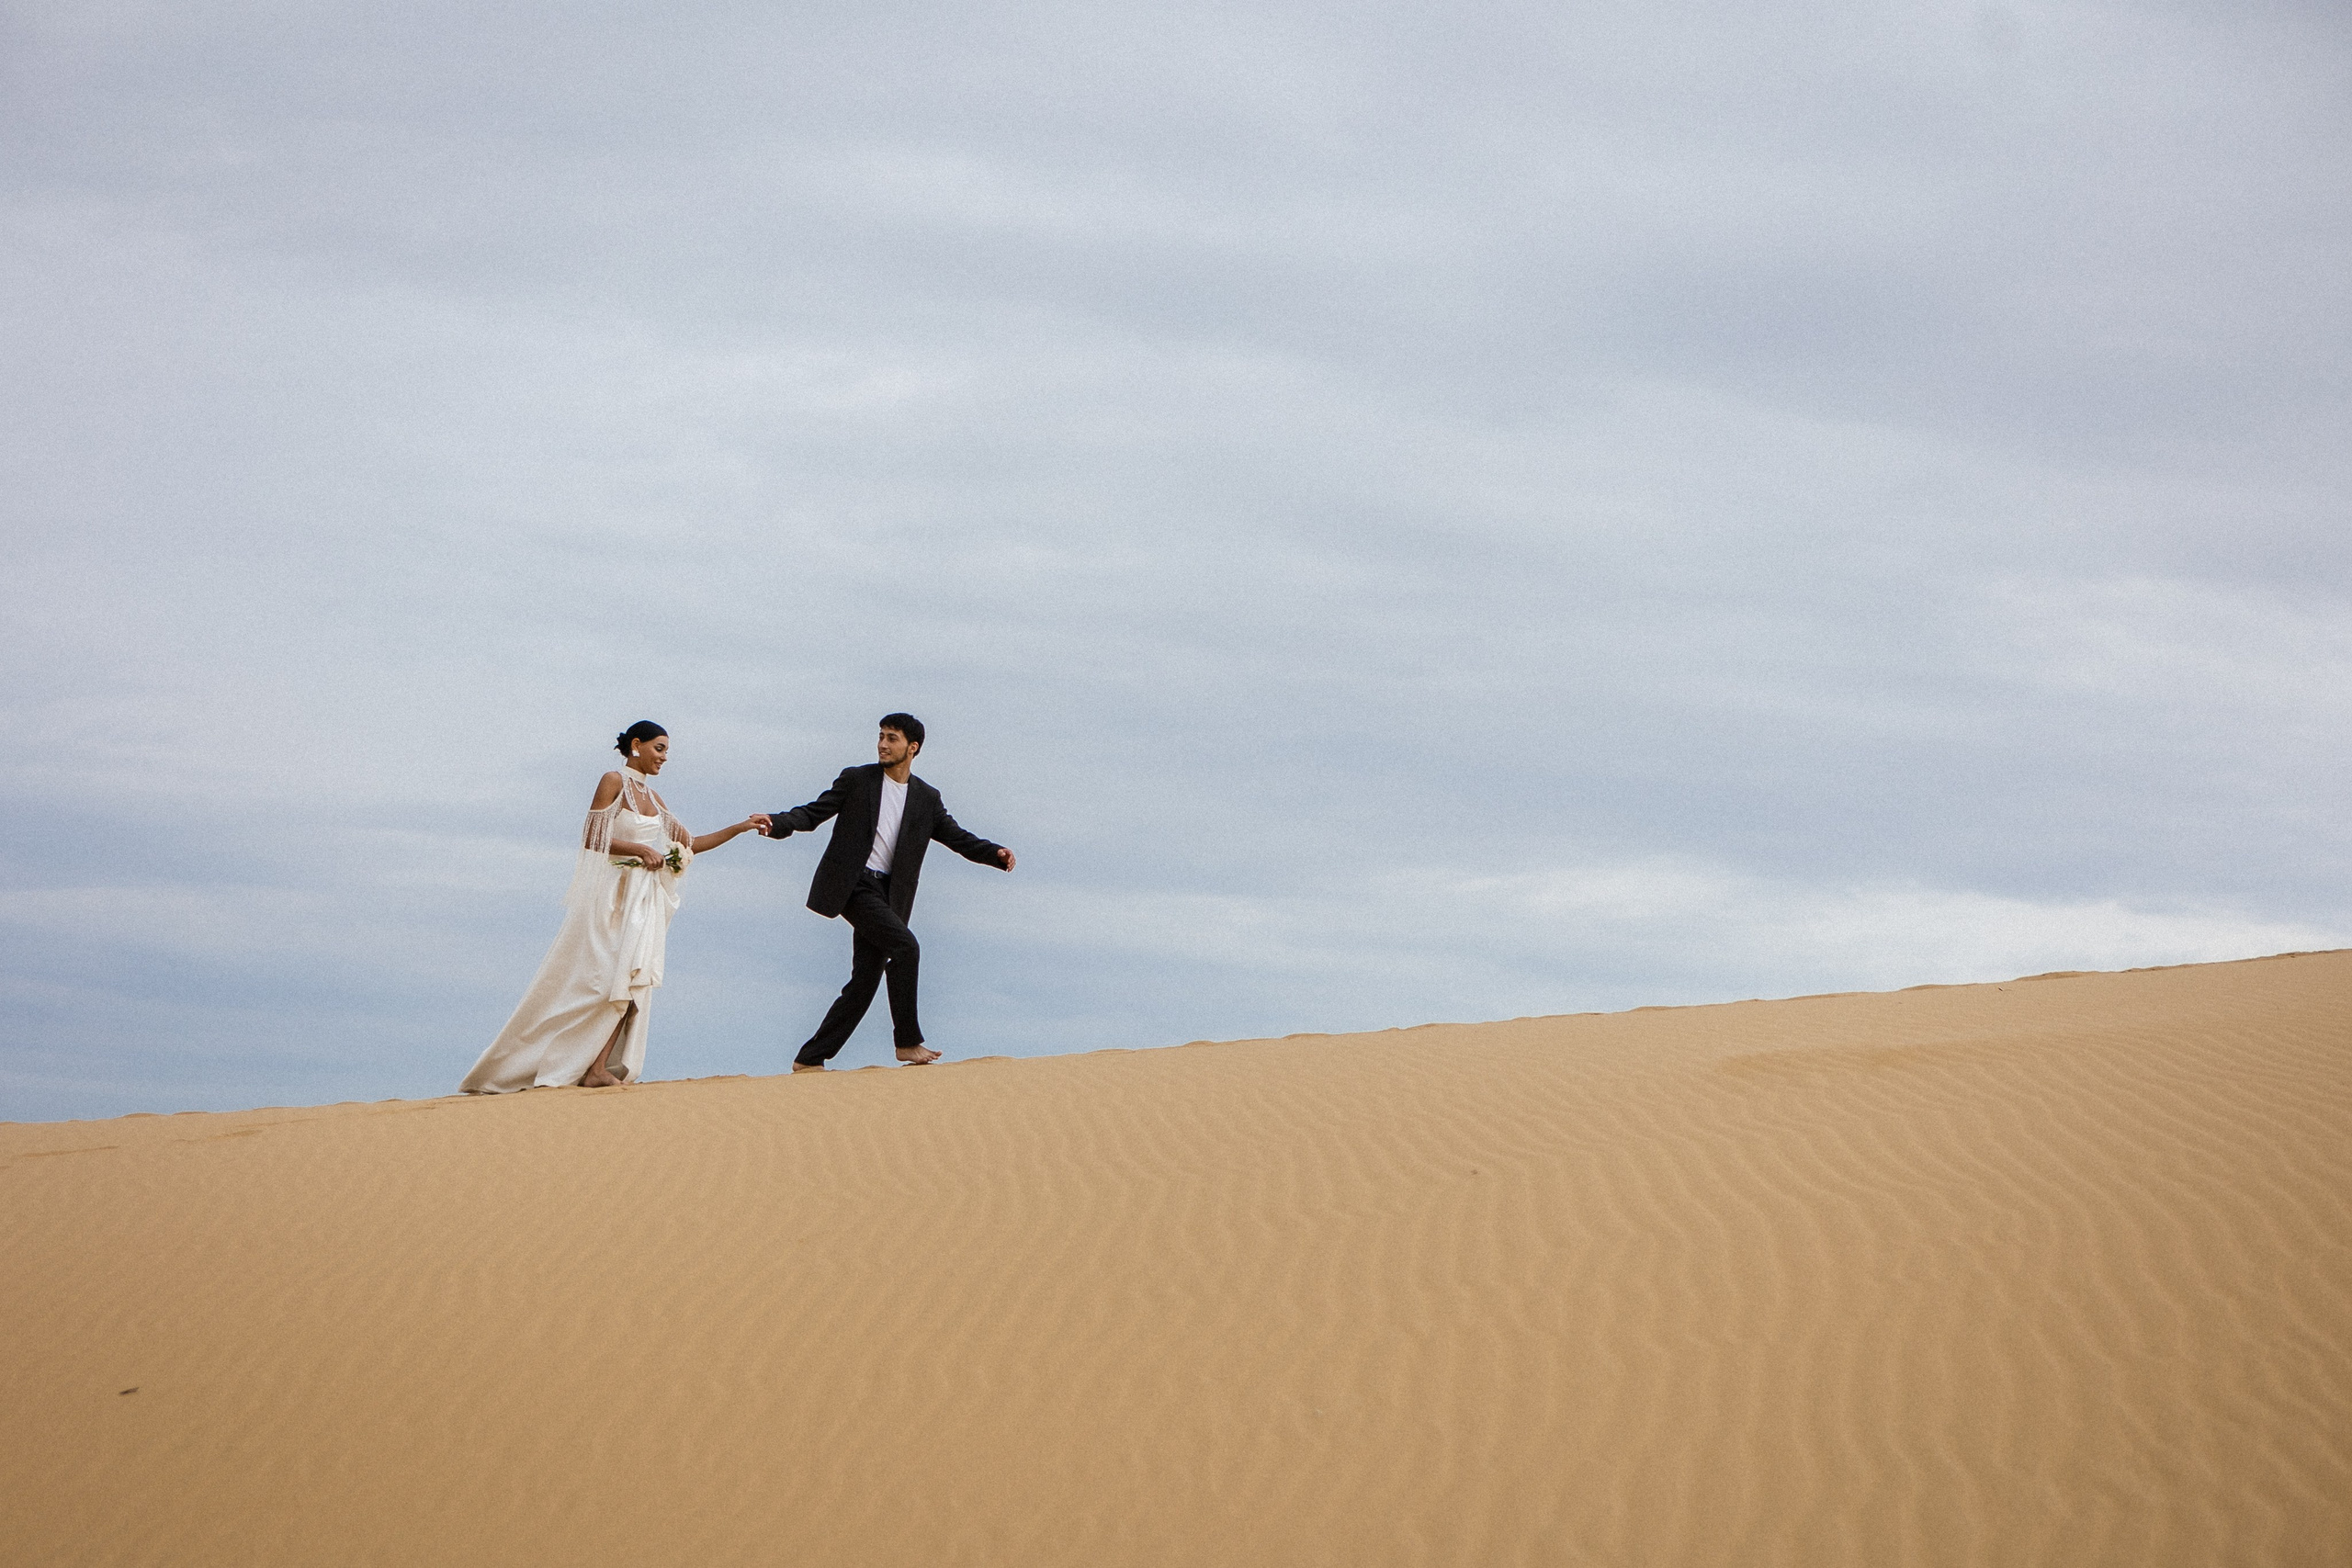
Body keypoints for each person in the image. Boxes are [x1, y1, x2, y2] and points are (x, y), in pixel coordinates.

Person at [461, 722, 772, 1093]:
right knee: (596, 983)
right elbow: (593, 837)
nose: (664, 757)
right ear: (636, 746)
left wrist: (741, 827)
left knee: (631, 981)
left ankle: (596, 1068)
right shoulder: (613, 781)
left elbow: (691, 842)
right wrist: (640, 849)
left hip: (642, 901)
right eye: (659, 748)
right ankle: (524, 1062)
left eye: (667, 751)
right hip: (613, 898)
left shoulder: (655, 800)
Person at [763, 713, 1013, 1069]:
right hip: (854, 884)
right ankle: (908, 1042)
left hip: (889, 894)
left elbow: (957, 837)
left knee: (865, 980)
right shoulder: (857, 779)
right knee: (906, 946)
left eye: (892, 738)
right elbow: (813, 813)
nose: (882, 744)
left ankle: (810, 1058)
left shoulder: (926, 798)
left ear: (912, 748)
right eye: (881, 736)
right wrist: (777, 823)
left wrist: (994, 853)